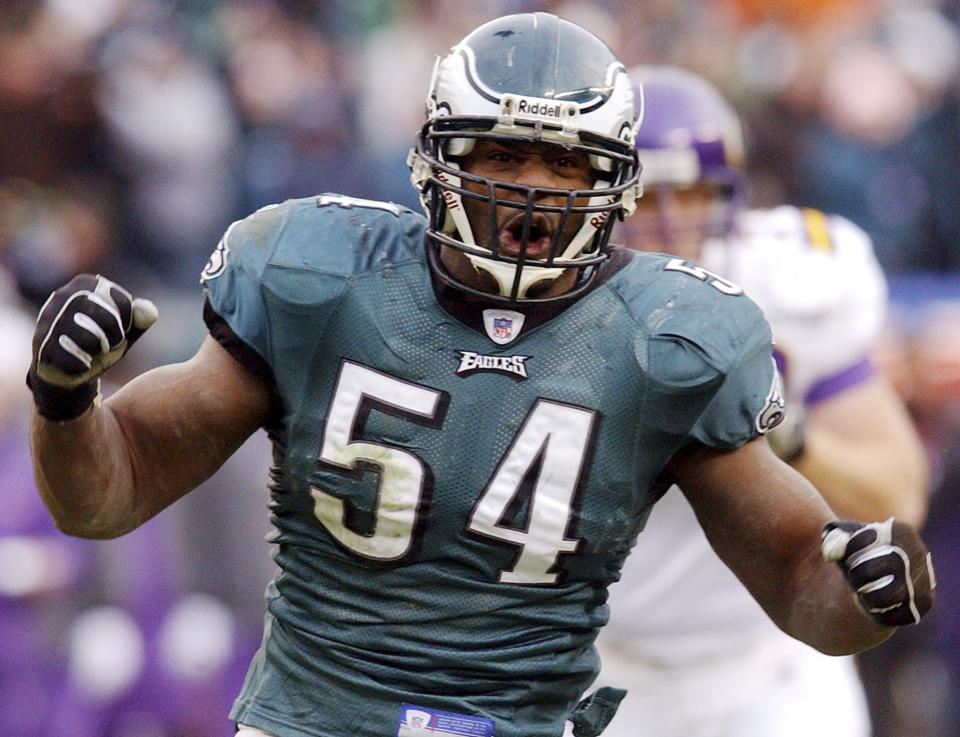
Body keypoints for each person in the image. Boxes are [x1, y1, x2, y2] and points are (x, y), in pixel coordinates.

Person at [26, 14, 934, 737]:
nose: (533, 190)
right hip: (316, 717)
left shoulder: (672, 332)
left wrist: (860, 589)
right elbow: (112, 491)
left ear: (608, 182)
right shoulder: (319, 277)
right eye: (502, 154)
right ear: (435, 158)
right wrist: (66, 404)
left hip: (551, 716)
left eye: (564, 163)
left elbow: (793, 575)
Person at [592, 64, 931, 737]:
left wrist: (785, 433)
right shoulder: (546, 306)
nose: (664, 224)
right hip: (597, 665)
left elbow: (898, 496)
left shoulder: (791, 283)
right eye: (643, 194)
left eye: (688, 195)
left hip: (768, 666)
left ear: (730, 196)